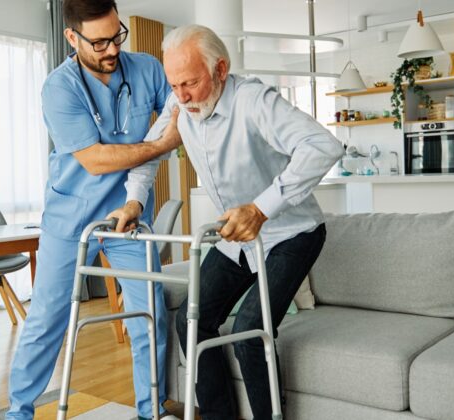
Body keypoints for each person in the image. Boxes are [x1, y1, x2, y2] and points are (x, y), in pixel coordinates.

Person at [108, 25, 344, 420]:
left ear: (221, 69)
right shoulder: (180, 104)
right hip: (235, 237)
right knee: (191, 321)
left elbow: (323, 145)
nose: (181, 96)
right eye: (174, 84)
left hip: (291, 233)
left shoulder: (253, 101)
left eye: (191, 83)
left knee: (251, 330)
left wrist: (261, 208)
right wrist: (134, 202)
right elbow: (150, 152)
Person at [5, 1, 182, 419]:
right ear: (72, 37)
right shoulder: (58, 88)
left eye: (116, 36)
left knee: (149, 314)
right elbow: (95, 159)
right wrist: (158, 145)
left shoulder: (147, 70)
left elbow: (181, 112)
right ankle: (18, 413)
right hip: (71, 216)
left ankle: (150, 411)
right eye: (99, 42)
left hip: (128, 216)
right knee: (48, 318)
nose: (111, 50)